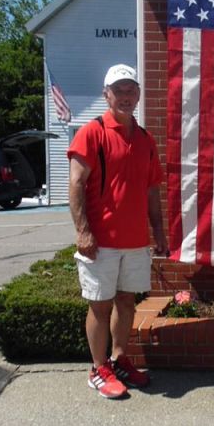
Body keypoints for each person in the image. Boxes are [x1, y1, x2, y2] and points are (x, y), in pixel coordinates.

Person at [68, 64, 168, 399]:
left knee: (126, 302)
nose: (125, 96)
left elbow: (152, 190)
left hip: (135, 242)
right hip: (100, 242)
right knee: (99, 304)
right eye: (118, 90)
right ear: (106, 94)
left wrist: (159, 232)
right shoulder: (91, 133)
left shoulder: (144, 139)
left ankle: (119, 358)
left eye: (131, 90)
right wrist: (83, 232)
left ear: (138, 94)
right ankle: (97, 369)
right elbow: (76, 184)